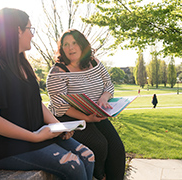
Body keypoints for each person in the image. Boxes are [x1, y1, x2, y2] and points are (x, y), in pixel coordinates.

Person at [0, 8, 94, 180]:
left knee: (88, 156)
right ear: (18, 30)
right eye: (30, 29)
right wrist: (34, 137)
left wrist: (59, 126)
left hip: (34, 134)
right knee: (73, 165)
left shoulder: (21, 63)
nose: (32, 35)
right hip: (2, 147)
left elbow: (35, 102)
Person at [46, 29, 125, 180]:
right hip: (69, 118)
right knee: (99, 145)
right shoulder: (58, 72)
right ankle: (100, 176)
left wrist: (104, 98)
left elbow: (108, 85)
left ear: (82, 45)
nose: (70, 48)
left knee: (117, 149)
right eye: (66, 44)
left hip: (95, 113)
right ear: (61, 48)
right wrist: (86, 119)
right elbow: (60, 105)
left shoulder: (94, 62)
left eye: (74, 43)